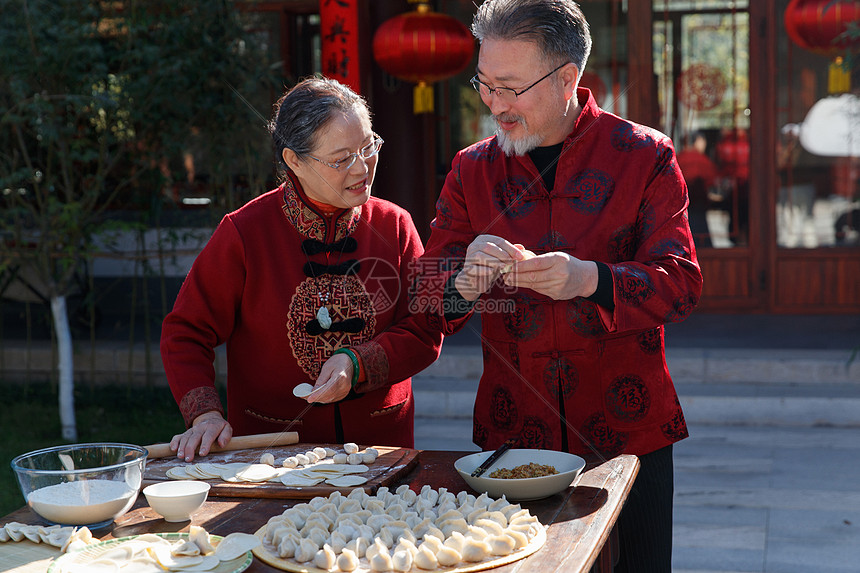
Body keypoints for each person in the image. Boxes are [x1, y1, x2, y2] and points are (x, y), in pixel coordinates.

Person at [418, 1, 703, 571]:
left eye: (510, 87)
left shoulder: (644, 156)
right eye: (484, 84)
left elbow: (682, 283)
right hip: (513, 430)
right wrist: (467, 279)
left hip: (628, 432)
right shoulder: (472, 170)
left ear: (567, 77)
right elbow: (430, 300)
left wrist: (590, 279)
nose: (494, 103)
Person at [161, 77, 442, 462]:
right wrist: (205, 415)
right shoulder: (245, 232)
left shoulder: (394, 225)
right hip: (270, 454)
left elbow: (425, 327)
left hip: (380, 449)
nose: (362, 168)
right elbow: (185, 331)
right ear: (295, 160)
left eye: (368, 146)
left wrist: (357, 364)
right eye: (342, 159)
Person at [677, 131, 718, 248]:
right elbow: (712, 181)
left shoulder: (679, 158)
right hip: (699, 205)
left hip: (682, 207)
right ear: (698, 141)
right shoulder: (703, 160)